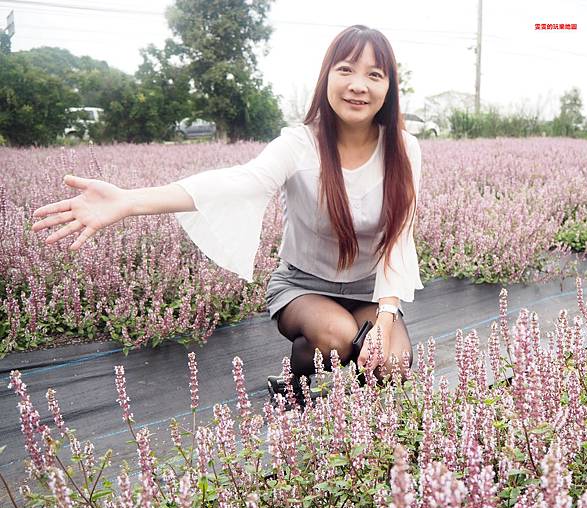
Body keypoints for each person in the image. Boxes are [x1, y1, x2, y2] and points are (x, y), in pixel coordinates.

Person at [31, 24, 423, 402]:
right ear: (326, 78)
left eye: (374, 74)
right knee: (337, 335)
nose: (359, 85)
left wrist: (386, 319)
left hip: (369, 290)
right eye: (346, 70)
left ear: (388, 88)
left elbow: (398, 238)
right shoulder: (299, 144)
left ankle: (350, 379)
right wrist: (130, 202)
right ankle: (298, 383)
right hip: (305, 285)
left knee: (392, 363)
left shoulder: (403, 149)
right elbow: (238, 182)